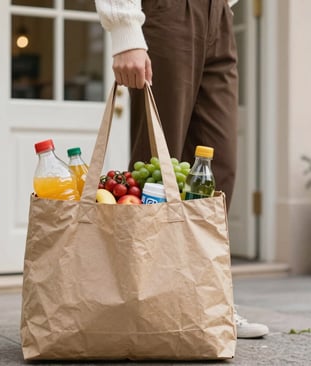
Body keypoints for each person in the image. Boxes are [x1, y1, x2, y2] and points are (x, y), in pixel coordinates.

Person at [95, 0, 268, 339]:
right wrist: (125, 29)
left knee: (217, 168)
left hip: (217, 14)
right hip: (168, 11)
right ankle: (143, 305)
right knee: (158, 165)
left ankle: (207, 303)